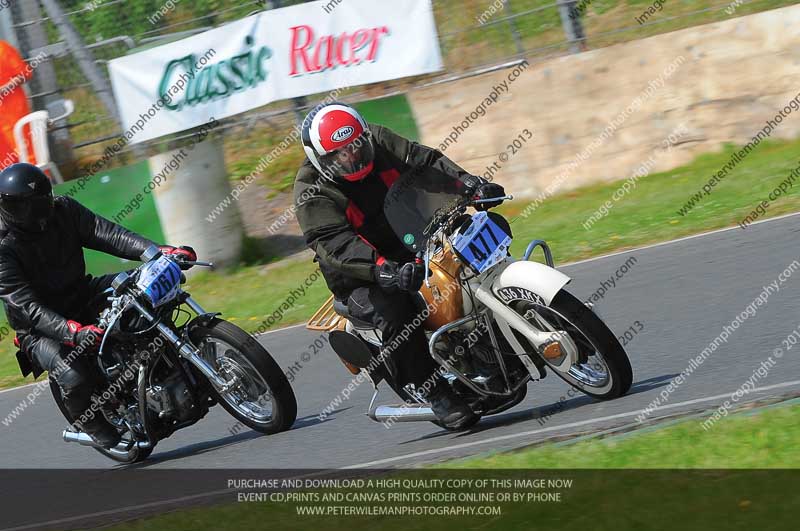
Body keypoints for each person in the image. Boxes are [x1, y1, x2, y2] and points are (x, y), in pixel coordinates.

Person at [293, 102, 505, 430]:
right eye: (340, 154)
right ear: (321, 159)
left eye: (357, 145)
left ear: (365, 135)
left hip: (412, 232)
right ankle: (433, 389)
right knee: (395, 309)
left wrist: (470, 186)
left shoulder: (379, 139)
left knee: (467, 250)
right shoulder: (312, 190)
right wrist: (379, 267)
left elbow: (425, 162)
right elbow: (334, 243)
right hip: (360, 270)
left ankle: (491, 335)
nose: (353, 155)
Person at [0, 163, 196, 448]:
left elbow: (107, 234)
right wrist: (73, 332)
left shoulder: (63, 209)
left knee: (145, 288)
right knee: (74, 375)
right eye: (27, 208)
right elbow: (26, 306)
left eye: (41, 204)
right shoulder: (3, 248)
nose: (38, 215)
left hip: (82, 292)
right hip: (40, 328)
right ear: (8, 208)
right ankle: (90, 423)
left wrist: (158, 252)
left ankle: (169, 363)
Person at [0, 41, 35, 169]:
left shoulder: (3, 48)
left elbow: (25, 73)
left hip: (14, 113)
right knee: (5, 162)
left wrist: (4, 89)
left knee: (27, 153)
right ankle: (12, 188)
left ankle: (39, 186)